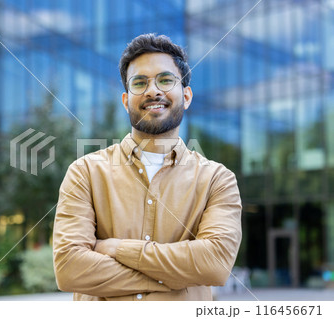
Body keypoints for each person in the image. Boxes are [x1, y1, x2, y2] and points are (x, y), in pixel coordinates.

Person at [52, 33, 242, 301]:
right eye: (139, 83)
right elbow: (70, 269)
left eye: (165, 80)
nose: (153, 90)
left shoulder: (217, 180)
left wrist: (117, 249)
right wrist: (176, 278)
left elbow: (215, 264)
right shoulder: (85, 172)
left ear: (186, 96)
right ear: (125, 100)